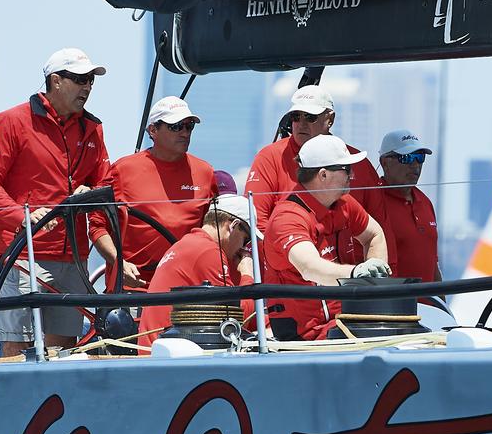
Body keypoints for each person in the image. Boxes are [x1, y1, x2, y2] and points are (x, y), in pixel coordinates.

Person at [0, 48, 110, 354]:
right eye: (80, 79)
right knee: (17, 348)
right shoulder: (9, 122)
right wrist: (20, 216)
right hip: (24, 256)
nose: (87, 86)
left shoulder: (93, 128)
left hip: (74, 258)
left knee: (63, 351)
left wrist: (89, 191)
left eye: (90, 80)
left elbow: (106, 182)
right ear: (56, 81)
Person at [263, 135, 391, 341]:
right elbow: (310, 268)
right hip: (305, 334)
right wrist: (357, 274)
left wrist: (374, 280)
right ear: (323, 175)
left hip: (343, 321)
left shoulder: (344, 203)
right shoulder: (288, 218)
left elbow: (374, 235)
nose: (352, 175)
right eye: (346, 169)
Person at [244, 85, 391, 263]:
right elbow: (254, 223)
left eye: (310, 117)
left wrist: (378, 281)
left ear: (330, 119)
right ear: (322, 174)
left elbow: (380, 229)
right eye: (296, 116)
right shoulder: (269, 157)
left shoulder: (357, 168)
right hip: (294, 277)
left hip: (350, 282)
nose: (301, 123)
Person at [90, 97, 216, 290]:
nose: (184, 132)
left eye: (189, 126)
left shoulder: (205, 172)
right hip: (133, 290)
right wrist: (118, 262)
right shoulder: (123, 170)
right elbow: (97, 226)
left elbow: (216, 232)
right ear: (153, 130)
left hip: (186, 291)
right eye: (176, 126)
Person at [138, 195, 258, 352]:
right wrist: (248, 275)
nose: (243, 248)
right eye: (246, 239)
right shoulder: (208, 251)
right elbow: (236, 321)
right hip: (166, 357)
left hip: (156, 352)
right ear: (233, 226)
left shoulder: (185, 244)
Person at [378, 130, 440, 283]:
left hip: (428, 306)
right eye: (407, 158)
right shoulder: (373, 201)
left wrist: (442, 305)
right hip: (391, 305)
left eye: (420, 158)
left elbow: (433, 265)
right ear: (385, 162)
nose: (415, 165)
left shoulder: (425, 202)